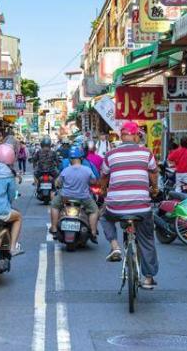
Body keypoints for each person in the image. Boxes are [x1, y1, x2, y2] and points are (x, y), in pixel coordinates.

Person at [100, 121, 159, 290]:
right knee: (147, 239)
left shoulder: (111, 154)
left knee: (104, 215)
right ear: (135, 136)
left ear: (121, 136)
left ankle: (115, 247)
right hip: (141, 207)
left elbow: (103, 176)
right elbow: (154, 173)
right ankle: (148, 278)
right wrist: (154, 189)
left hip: (116, 207)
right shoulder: (145, 153)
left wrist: (104, 191)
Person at [50, 147, 99, 241]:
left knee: (54, 205)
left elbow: (58, 183)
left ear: (70, 159)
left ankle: (54, 228)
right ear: (81, 158)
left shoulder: (65, 170)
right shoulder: (87, 170)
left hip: (65, 197)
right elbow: (93, 181)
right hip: (83, 198)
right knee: (94, 210)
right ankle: (93, 232)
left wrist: (59, 185)